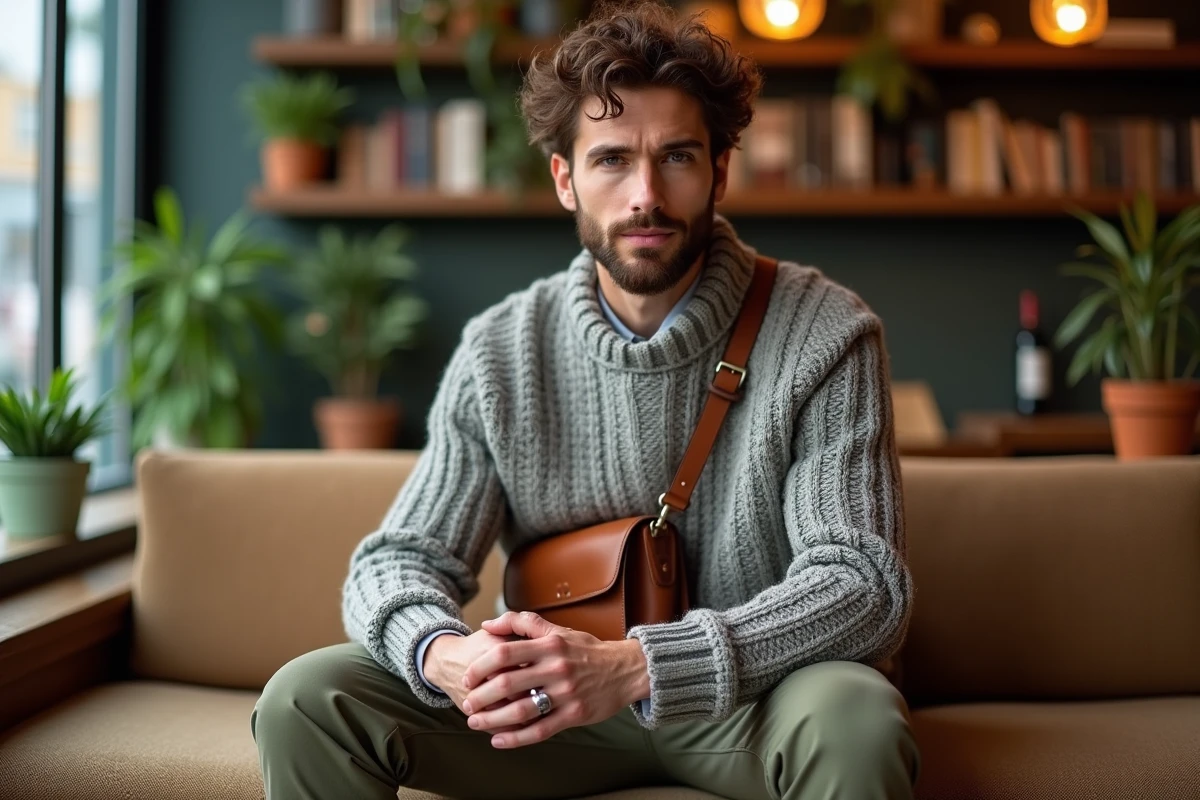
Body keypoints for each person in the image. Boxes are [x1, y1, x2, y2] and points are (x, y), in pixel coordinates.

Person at [251, 2, 920, 798]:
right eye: (611, 160)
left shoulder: (826, 331)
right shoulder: (500, 351)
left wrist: (635, 665)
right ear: (564, 178)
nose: (645, 193)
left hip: (757, 702)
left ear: (720, 170)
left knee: (858, 717)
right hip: (550, 717)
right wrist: (447, 654)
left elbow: (862, 582)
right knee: (307, 698)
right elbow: (398, 560)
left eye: (676, 156)